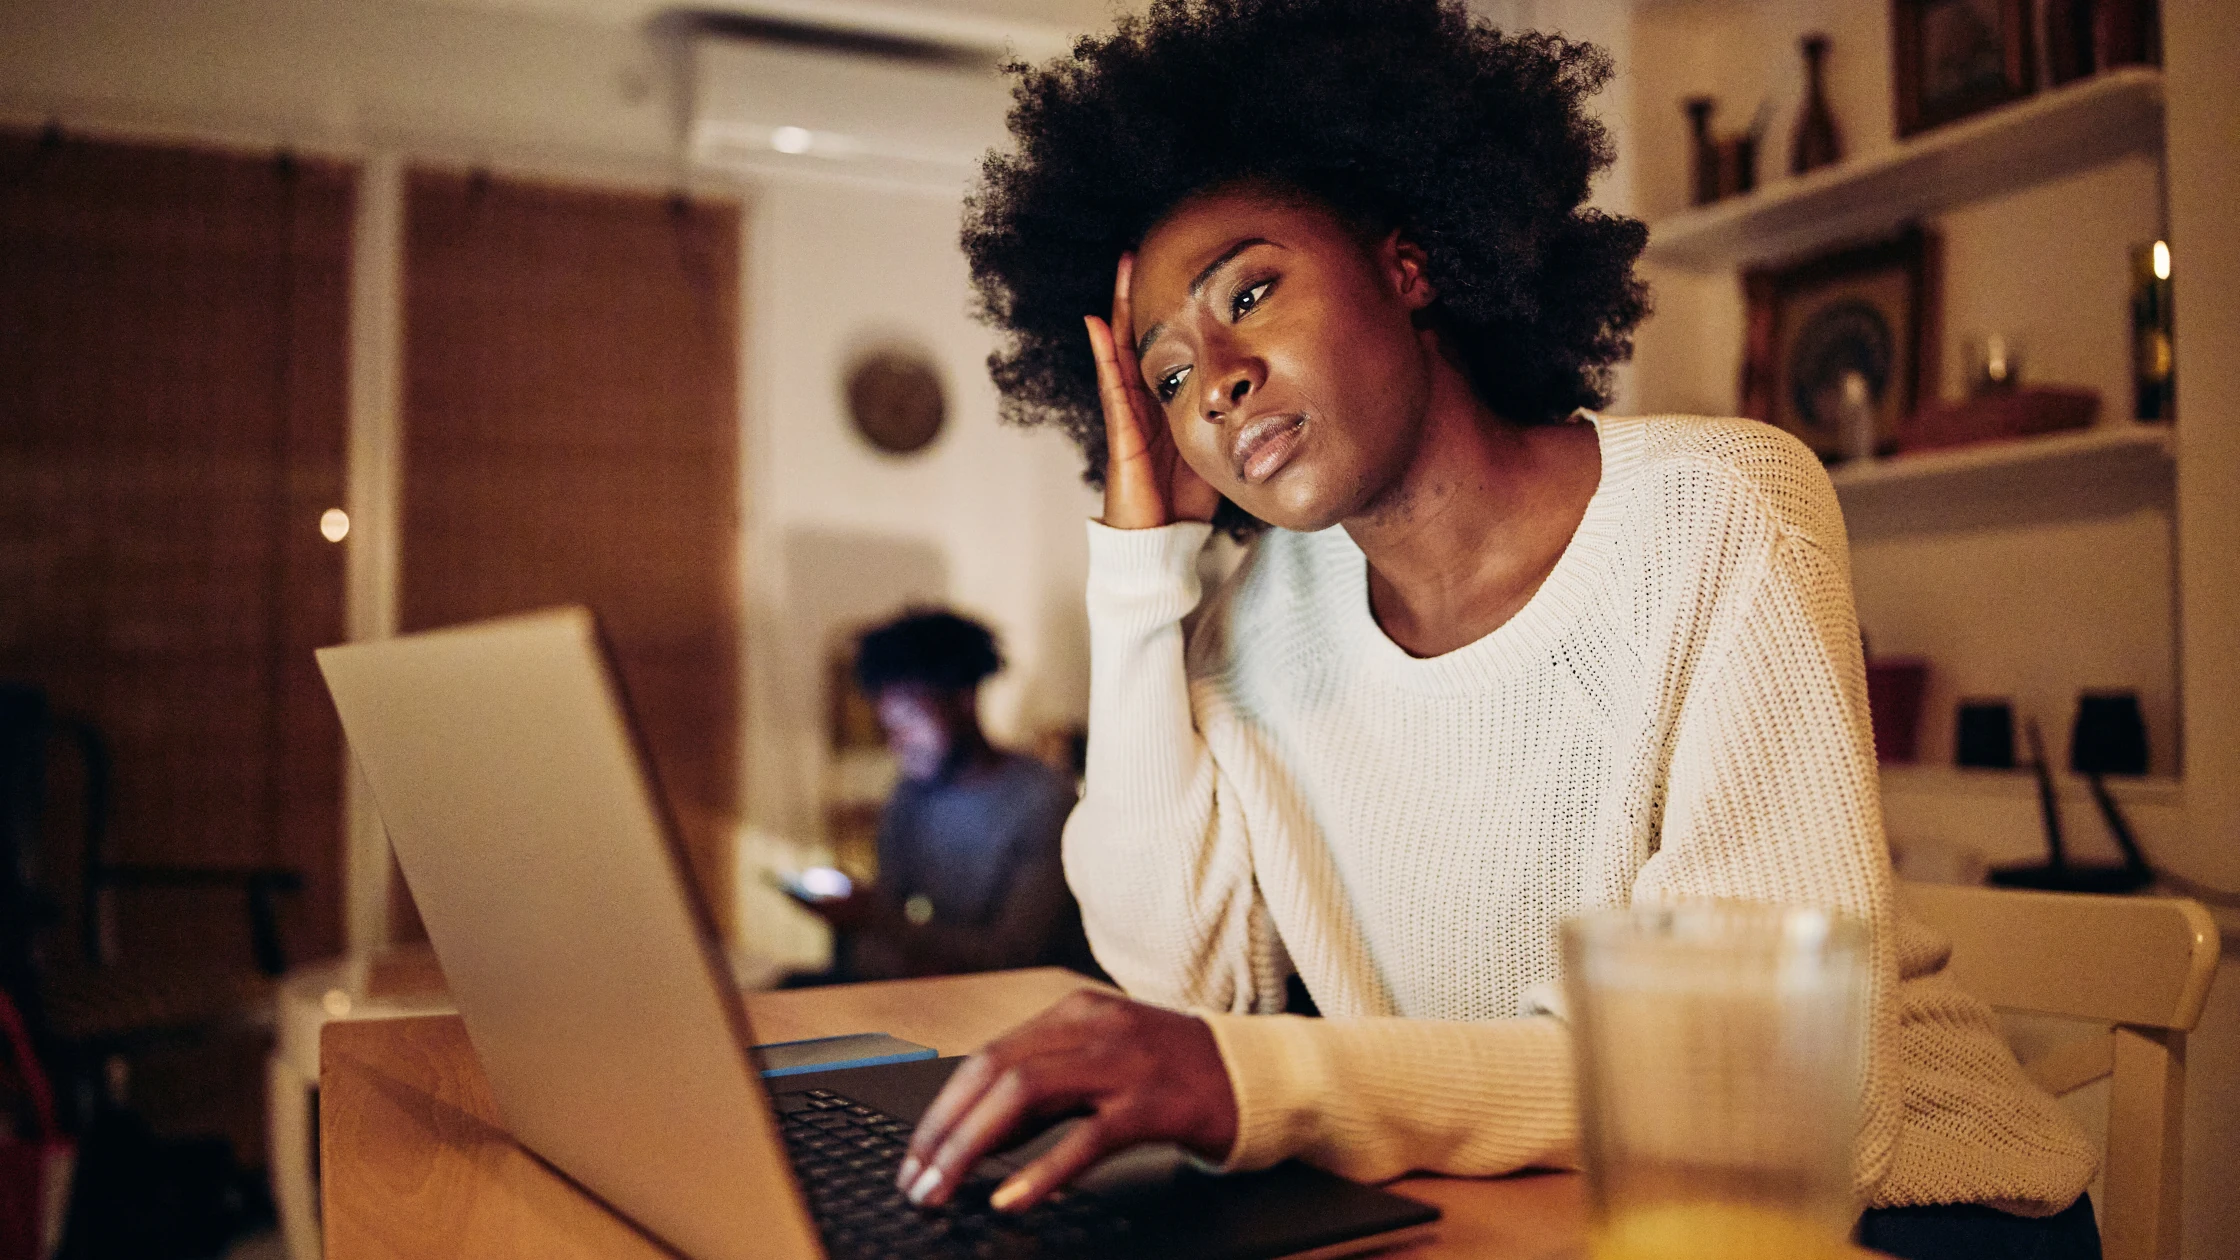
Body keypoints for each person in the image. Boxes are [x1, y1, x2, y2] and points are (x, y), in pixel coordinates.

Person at [891, 3, 2101, 1257]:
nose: (1219, 381)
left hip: (1902, 1218)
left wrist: (1276, 1087)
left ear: (1406, 264)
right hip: (1536, 1204)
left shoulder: (1717, 513)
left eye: (1249, 292)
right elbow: (1179, 991)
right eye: (1169, 377)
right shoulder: (1248, 626)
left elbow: (1780, 1102)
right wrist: (1141, 575)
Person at [787, 610, 1094, 984]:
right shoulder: (910, 794)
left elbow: (1014, 955)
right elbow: (888, 912)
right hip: (916, 993)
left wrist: (870, 917)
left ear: (963, 700)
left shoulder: (1042, 801)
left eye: (910, 721)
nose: (898, 743)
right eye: (890, 728)